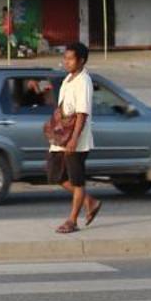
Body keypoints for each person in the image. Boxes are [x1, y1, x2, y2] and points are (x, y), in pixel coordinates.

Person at [48, 42, 100, 234]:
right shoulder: (69, 79)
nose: (66, 62)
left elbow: (82, 113)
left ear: (82, 61)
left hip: (76, 140)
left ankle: (72, 221)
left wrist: (74, 139)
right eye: (65, 58)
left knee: (77, 180)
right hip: (62, 136)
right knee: (55, 174)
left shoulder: (83, 81)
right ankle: (90, 201)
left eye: (70, 59)